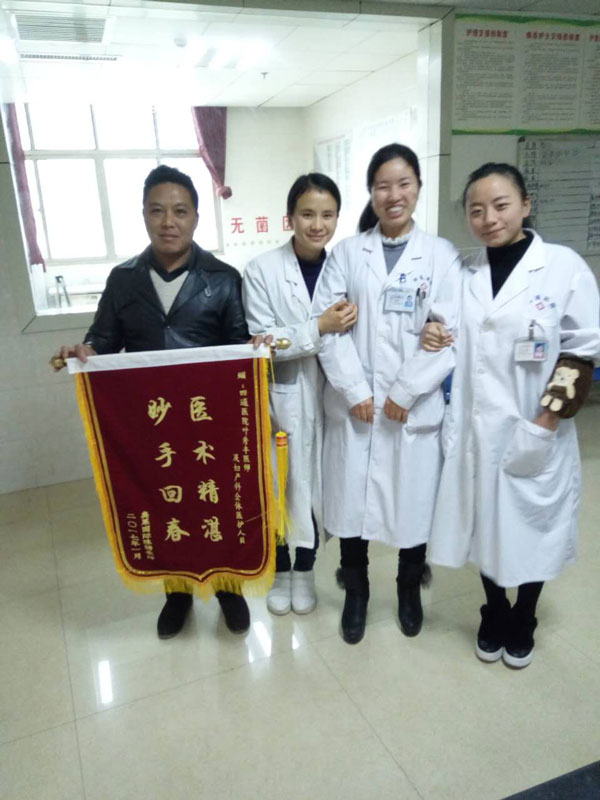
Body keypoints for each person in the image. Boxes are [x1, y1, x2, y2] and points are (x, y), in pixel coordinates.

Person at [53, 164, 253, 640]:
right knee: (167, 506)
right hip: (153, 422)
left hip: (208, 423)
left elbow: (239, 348)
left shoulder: (223, 278)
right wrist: (86, 351)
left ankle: (228, 588)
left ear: (196, 217)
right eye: (157, 211)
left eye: (180, 211)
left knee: (215, 501)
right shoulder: (123, 280)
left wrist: (256, 351)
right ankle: (176, 593)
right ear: (143, 215)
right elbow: (103, 339)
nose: (169, 222)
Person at [424, 162, 600, 668]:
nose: (489, 218)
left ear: (525, 204)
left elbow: (583, 348)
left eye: (501, 205)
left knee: (532, 524)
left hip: (535, 422)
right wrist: (431, 329)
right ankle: (494, 609)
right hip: (477, 429)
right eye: (476, 210)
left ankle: (525, 614)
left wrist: (549, 417)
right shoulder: (464, 270)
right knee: (485, 523)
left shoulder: (563, 267)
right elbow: (441, 323)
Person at [312, 144, 461, 644]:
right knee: (351, 506)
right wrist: (354, 389)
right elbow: (328, 327)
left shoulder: (440, 255)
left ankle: (408, 589)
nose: (393, 195)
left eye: (403, 184)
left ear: (418, 187)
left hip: (412, 410)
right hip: (354, 407)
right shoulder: (347, 254)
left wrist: (406, 389)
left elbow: (450, 332)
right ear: (371, 192)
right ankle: (356, 594)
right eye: (382, 186)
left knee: (413, 506)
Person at [242, 173, 357, 615]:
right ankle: (281, 570)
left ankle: (306, 572)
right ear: (290, 217)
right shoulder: (261, 270)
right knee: (280, 486)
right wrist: (319, 326)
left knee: (317, 490)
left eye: (328, 215)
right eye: (307, 214)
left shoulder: (343, 269)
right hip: (282, 399)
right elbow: (262, 341)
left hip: (332, 399)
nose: (317, 224)